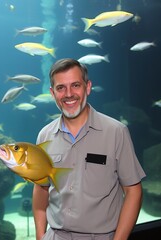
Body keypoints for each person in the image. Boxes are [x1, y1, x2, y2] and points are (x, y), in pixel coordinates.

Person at [32, 58, 146, 240]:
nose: (69, 94)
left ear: (88, 87)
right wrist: (40, 236)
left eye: (75, 85)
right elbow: (41, 189)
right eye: (61, 88)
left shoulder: (116, 132)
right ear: (52, 93)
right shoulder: (44, 136)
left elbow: (133, 191)